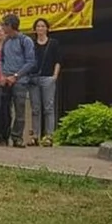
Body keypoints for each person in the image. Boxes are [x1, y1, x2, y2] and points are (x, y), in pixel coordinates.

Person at [0, 14, 35, 148]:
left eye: (4, 25)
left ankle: (17, 137)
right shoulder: (6, 41)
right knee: (4, 110)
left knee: (20, 110)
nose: (2, 27)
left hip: (20, 80)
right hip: (5, 80)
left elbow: (30, 62)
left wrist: (16, 75)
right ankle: (4, 136)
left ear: (10, 26)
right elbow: (1, 59)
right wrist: (2, 75)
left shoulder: (25, 41)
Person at [29, 18, 62, 147]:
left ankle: (49, 136)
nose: (40, 29)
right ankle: (35, 136)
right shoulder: (32, 44)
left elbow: (58, 60)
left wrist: (55, 76)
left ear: (47, 28)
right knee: (35, 108)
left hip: (48, 78)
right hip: (34, 78)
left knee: (48, 108)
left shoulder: (53, 43)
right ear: (35, 29)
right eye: (38, 26)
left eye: (43, 26)